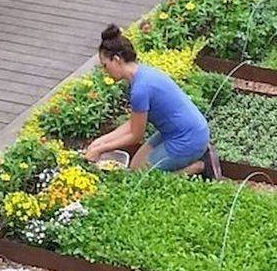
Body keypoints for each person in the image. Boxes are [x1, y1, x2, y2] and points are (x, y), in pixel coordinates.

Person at [84, 25, 221, 177]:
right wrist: (99, 142)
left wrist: (101, 149)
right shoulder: (141, 74)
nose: (105, 71)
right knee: (135, 166)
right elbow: (133, 123)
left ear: (116, 60)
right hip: (177, 132)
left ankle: (199, 166)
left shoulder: (140, 89)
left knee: (141, 176)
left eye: (105, 65)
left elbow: (136, 135)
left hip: (189, 138)